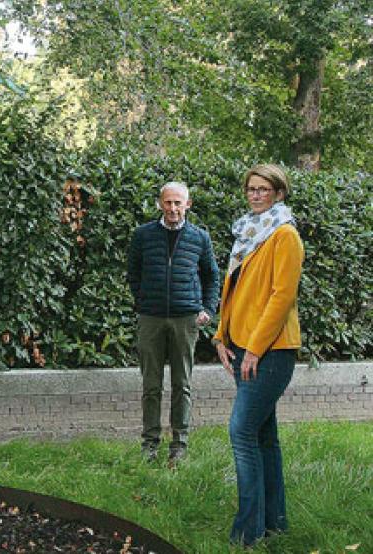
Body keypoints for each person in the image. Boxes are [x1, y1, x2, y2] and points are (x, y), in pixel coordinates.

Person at [213, 164, 304, 547]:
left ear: (279, 193)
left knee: (242, 430)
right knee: (264, 436)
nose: (255, 195)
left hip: (270, 350)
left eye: (263, 189)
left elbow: (281, 297)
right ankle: (274, 525)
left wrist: (254, 348)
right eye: (251, 188)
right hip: (241, 346)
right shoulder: (249, 233)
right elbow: (234, 289)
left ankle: (247, 533)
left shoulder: (285, 235)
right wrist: (220, 337)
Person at [127, 181, 220, 464]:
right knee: (151, 385)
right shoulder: (143, 235)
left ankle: (179, 445)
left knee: (182, 384)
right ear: (160, 204)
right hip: (151, 318)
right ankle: (150, 445)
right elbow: (133, 273)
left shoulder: (200, 238)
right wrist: (143, 302)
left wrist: (207, 309)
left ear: (188, 205)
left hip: (185, 319)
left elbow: (212, 276)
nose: (173, 208)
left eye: (178, 203)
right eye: (168, 202)